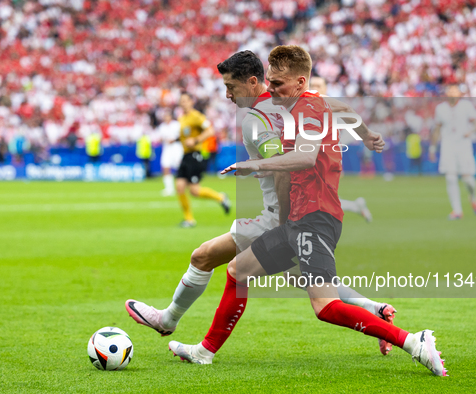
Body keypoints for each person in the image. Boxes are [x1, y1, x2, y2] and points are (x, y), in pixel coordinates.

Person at [168, 46, 447, 377]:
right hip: (300, 217)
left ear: (300, 82)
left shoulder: (308, 111)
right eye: (269, 82)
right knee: (237, 270)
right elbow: (343, 107)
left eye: (278, 84)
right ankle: (204, 351)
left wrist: (253, 163)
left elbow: (305, 158)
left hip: (314, 217)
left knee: (325, 306)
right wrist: (367, 134)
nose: (270, 90)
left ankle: (415, 342)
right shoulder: (311, 102)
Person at [126, 50, 398, 359]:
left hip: (280, 218)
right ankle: (376, 309)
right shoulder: (293, 101)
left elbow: (282, 167)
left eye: (231, 87)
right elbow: (340, 107)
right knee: (307, 281)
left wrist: (285, 224)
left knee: (205, 258)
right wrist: (368, 134)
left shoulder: (256, 120)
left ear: (253, 81)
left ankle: (173, 324)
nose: (227, 95)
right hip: (307, 212)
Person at [310, 76, 373, 222]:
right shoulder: (306, 106)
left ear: (326, 89)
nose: (315, 88)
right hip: (311, 157)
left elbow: (341, 135)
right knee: (319, 199)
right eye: (312, 85)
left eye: (318, 86)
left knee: (318, 199)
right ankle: (356, 206)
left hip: (324, 159)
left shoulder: (333, 107)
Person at [175, 92, 231, 227]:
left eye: (185, 101)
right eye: (181, 101)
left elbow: (210, 131)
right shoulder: (182, 118)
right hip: (185, 155)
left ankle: (221, 197)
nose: (183, 103)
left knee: (194, 191)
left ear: (191, 102)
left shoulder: (197, 117)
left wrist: (196, 140)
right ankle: (189, 219)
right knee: (179, 186)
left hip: (195, 155)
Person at [430, 85, 476, 220]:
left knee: (468, 179)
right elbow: (437, 129)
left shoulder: (466, 106)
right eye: (450, 91)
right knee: (450, 177)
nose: (452, 93)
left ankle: (473, 197)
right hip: (448, 146)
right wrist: (432, 148)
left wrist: (470, 131)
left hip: (463, 145)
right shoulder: (440, 108)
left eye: (455, 91)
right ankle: (457, 211)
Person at [156, 110, 183, 196]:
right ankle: (169, 188)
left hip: (176, 147)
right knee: (165, 167)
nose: (166, 118)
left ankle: (183, 186)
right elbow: (160, 137)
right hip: (167, 148)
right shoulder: (162, 127)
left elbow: (182, 136)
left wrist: (174, 140)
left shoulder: (176, 125)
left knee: (180, 167)